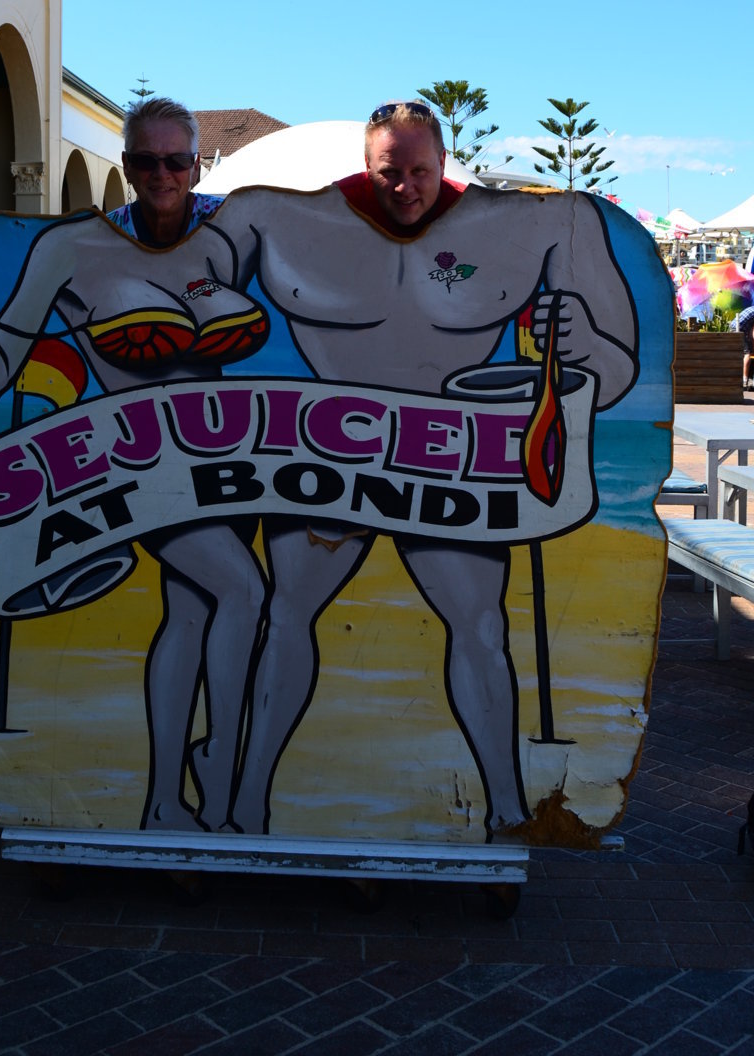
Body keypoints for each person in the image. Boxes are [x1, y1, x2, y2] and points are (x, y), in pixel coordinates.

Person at [108, 99, 639, 835]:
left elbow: (618, 373)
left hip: (447, 458)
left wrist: (582, 343)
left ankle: (505, 815)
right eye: (391, 172)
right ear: (366, 165)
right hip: (330, 455)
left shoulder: (542, 224)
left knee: (479, 626)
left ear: (445, 162)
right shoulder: (276, 218)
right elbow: (169, 288)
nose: (406, 188)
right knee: (286, 616)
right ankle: (248, 806)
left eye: (421, 171)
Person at [0, 96, 267, 833]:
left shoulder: (225, 238)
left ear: (196, 165)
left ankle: (163, 803)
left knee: (191, 614)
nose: (161, 174)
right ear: (126, 165)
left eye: (175, 160)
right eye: (146, 160)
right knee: (242, 591)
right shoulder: (71, 247)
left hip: (225, 463)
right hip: (142, 462)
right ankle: (216, 765)